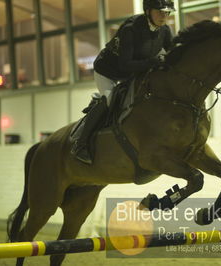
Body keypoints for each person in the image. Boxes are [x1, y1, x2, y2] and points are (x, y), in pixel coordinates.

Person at [71, 0, 175, 164]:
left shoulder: (165, 31)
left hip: (132, 72)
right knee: (109, 100)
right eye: (160, 12)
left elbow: (174, 54)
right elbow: (125, 64)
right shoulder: (130, 30)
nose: (164, 16)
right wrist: (153, 62)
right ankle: (80, 144)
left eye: (167, 12)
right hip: (108, 71)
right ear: (148, 11)